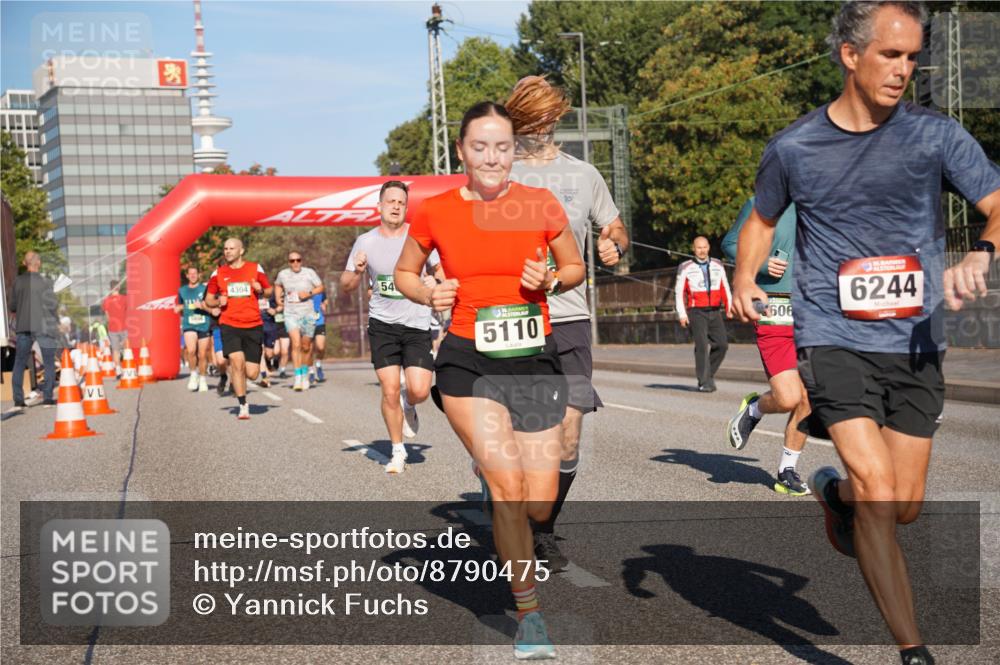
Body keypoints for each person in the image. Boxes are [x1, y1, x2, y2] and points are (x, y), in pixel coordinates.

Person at [731, 3, 1000, 663]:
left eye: (912, 57)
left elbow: (997, 203)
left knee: (901, 505)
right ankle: (913, 650)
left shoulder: (937, 136)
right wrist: (744, 278)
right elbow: (762, 219)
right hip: (832, 336)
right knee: (880, 493)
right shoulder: (795, 146)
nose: (904, 69)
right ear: (850, 56)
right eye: (890, 54)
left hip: (915, 343)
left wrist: (981, 252)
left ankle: (834, 492)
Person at [395, 102, 584, 660]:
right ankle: (529, 615)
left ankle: (492, 468)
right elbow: (405, 273)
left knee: (540, 503)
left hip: (533, 358)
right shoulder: (437, 210)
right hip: (466, 360)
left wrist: (550, 280)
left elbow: (574, 268)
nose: (492, 157)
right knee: (509, 490)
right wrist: (428, 292)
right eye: (480, 146)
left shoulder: (539, 203)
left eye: (502, 146)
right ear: (462, 151)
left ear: (513, 151)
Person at [505, 74, 631, 571]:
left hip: (570, 316)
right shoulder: (498, 173)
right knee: (522, 434)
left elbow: (615, 226)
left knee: (569, 432)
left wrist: (612, 243)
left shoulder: (583, 175)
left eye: (545, 117)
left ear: (555, 117)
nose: (539, 127)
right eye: (529, 118)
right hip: (512, 316)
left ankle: (543, 529)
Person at [340, 180, 442, 474]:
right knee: (389, 389)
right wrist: (357, 272)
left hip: (417, 323)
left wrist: (436, 280)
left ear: (406, 208)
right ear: (380, 206)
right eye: (391, 201)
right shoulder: (365, 242)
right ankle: (398, 450)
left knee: (420, 390)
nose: (396, 206)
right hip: (382, 324)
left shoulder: (419, 237)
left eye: (401, 203)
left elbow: (440, 272)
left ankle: (409, 405)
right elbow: (346, 285)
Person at [723, 197, 811, 495]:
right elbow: (730, 243)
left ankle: (787, 470)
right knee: (788, 398)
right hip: (774, 309)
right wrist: (761, 264)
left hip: (814, 313)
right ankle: (755, 409)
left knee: (810, 397)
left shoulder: (826, 204)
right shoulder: (762, 203)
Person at [204, 238, 272, 419]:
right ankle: (243, 405)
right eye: (225, 248)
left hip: (253, 324)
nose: (228, 251)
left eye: (232, 248)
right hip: (229, 324)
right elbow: (208, 299)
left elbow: (269, 291)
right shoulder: (218, 273)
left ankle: (242, 379)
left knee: (252, 373)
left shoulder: (255, 268)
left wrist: (260, 289)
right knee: (236, 361)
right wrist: (218, 301)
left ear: (241, 251)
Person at [675, 236, 732, 392]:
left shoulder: (718, 264)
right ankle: (704, 382)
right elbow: (679, 293)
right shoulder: (685, 267)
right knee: (701, 345)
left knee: (722, 345)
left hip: (714, 310)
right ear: (694, 249)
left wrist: (729, 307)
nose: (702, 251)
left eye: (705, 247)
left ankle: (708, 374)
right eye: (699, 248)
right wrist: (682, 314)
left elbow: (725, 287)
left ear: (709, 247)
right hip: (696, 311)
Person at [9, 252, 60, 409]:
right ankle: (48, 398)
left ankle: (18, 400)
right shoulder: (46, 282)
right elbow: (52, 305)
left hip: (24, 325)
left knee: (19, 362)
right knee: (49, 361)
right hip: (43, 325)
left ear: (25, 263)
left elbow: (12, 306)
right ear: (39, 263)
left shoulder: (17, 282)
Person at [274, 252, 324, 391]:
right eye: (292, 261)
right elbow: (277, 285)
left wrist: (309, 293)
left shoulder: (309, 273)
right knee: (295, 343)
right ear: (289, 262)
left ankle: (305, 374)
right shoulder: (283, 274)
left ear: (301, 261)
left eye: (298, 260)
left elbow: (321, 287)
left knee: (306, 346)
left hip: (308, 314)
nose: (295, 263)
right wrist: (278, 298)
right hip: (291, 313)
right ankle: (297, 377)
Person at [175, 266, 212, 392]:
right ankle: (193, 374)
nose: (192, 276)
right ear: (187, 276)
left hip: (204, 323)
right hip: (189, 324)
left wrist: (202, 306)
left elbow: (211, 304)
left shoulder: (204, 289)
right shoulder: (182, 290)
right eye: (190, 274)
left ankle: (203, 378)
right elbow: (180, 304)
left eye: (195, 273)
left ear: (199, 275)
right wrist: (179, 308)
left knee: (202, 354)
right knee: (191, 351)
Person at [102, 280, 128, 373]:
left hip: (113, 329)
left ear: (110, 288)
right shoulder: (125, 299)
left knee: (115, 350)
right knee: (127, 348)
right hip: (124, 327)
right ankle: (128, 368)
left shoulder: (106, 301)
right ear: (119, 287)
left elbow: (107, 316)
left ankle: (118, 370)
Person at [309, 290, 327, 383]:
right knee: (309, 349)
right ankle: (311, 371)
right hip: (307, 323)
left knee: (321, 347)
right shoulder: (303, 289)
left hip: (319, 322)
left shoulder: (320, 291)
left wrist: (324, 305)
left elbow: (325, 301)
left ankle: (318, 364)